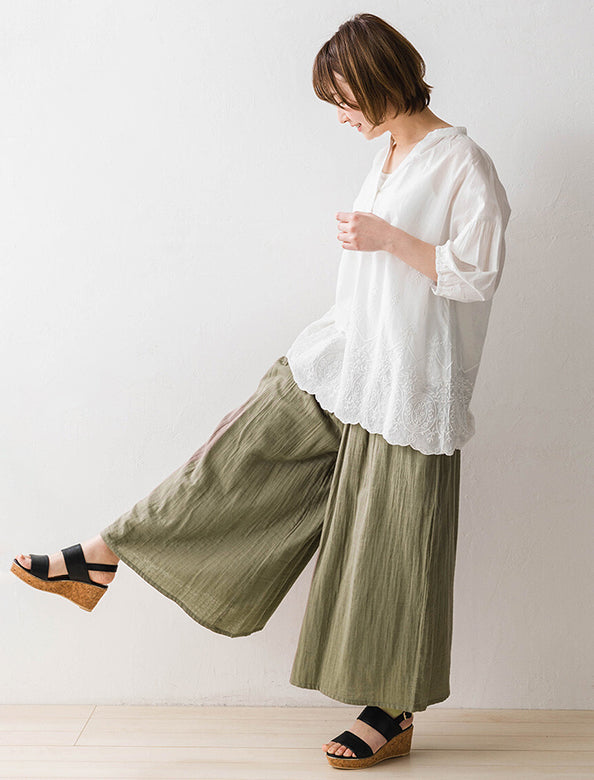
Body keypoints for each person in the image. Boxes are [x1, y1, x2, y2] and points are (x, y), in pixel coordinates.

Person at [11, 12, 511, 771]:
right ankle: (106, 553)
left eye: (344, 99)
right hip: (348, 359)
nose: (340, 116)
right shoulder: (388, 152)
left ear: (381, 80)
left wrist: (388, 238)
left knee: (391, 545)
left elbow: (477, 272)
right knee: (233, 455)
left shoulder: (462, 161)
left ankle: (391, 711)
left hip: (411, 382)